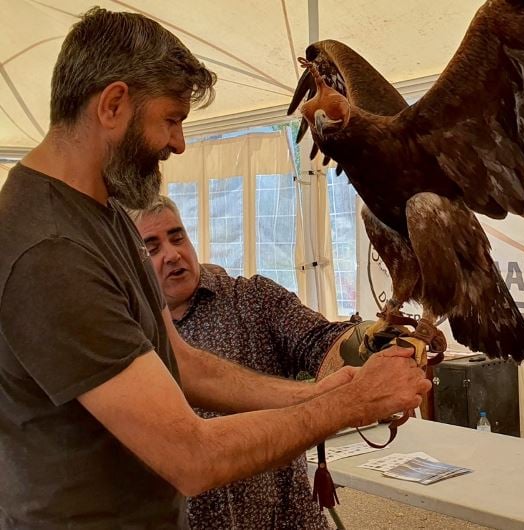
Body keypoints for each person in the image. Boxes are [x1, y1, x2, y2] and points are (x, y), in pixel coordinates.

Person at [0, 8, 429, 529]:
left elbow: (181, 364)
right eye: (171, 120)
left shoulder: (103, 212)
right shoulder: (50, 250)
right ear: (113, 105)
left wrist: (320, 393)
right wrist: (352, 404)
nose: (179, 143)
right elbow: (191, 457)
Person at [128, 196, 358, 529]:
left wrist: (368, 343)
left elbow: (322, 339)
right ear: (130, 262)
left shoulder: (252, 299)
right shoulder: (127, 331)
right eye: (152, 247)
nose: (173, 254)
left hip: (284, 518)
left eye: (177, 237)